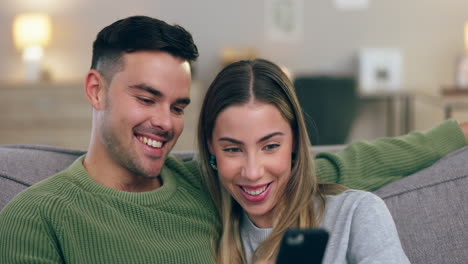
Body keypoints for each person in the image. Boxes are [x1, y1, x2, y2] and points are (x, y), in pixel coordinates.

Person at [0, 15, 466, 263]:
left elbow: (336, 165)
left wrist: (455, 131)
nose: (164, 122)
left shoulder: (210, 183)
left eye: (178, 106)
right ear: (96, 89)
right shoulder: (36, 217)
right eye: (146, 98)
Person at [197, 59, 433, 263]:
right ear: (211, 148)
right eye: (232, 149)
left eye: (270, 146)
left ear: (295, 142)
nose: (252, 172)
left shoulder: (356, 214)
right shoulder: (203, 234)